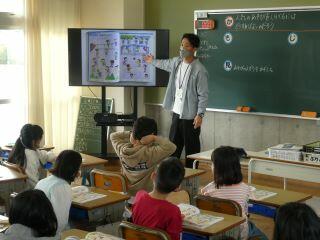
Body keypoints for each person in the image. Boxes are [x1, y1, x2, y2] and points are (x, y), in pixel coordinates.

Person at [144, 33, 208, 168]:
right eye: (181, 44)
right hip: (176, 113)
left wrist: (200, 114)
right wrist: (152, 61)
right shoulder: (176, 62)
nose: (182, 48)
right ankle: (172, 174)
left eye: (186, 45)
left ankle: (192, 176)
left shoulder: (199, 70)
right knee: (173, 146)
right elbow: (164, 63)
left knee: (192, 149)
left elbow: (203, 95)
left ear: (194, 48)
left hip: (190, 116)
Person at [201, 146, 267, 240]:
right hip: (240, 232)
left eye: (212, 163)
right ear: (237, 167)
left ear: (217, 168)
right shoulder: (245, 188)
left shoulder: (208, 189)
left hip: (215, 231)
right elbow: (245, 211)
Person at [110, 116, 176, 195]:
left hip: (127, 196)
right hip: (147, 198)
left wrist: (131, 134)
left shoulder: (122, 150)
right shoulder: (151, 153)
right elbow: (172, 147)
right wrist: (154, 138)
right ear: (151, 135)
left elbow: (113, 136)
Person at [132, 157, 185, 240]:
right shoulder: (173, 211)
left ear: (153, 176)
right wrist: (176, 218)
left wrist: (176, 217)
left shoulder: (139, 196)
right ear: (177, 187)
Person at [35, 150, 82, 233]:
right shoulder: (62, 187)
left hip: (37, 229)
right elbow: (60, 223)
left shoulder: (43, 181)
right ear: (75, 170)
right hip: (50, 234)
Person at [8, 124, 55, 188]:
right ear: (33, 141)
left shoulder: (22, 149)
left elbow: (47, 155)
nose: (40, 141)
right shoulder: (30, 156)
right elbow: (34, 184)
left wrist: (51, 158)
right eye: (40, 138)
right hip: (30, 193)